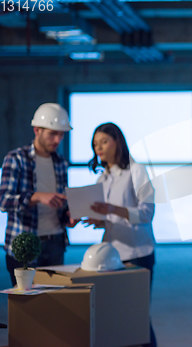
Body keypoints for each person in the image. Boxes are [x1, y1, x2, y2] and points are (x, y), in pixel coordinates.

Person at [83, 122, 156, 347]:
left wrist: (112, 210)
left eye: (104, 141)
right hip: (109, 254)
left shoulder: (136, 171)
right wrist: (99, 220)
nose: (99, 148)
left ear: (118, 142)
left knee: (137, 315)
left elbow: (147, 213)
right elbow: (110, 219)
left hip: (137, 252)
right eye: (95, 144)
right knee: (117, 316)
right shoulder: (102, 178)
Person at [0, 103, 79, 286]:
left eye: (61, 134)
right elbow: (4, 202)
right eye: (53, 133)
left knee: (53, 303)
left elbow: (60, 203)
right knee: (26, 306)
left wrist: (69, 216)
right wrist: (36, 197)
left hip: (55, 242)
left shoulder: (60, 162)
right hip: (24, 244)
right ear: (37, 130)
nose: (58, 139)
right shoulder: (16, 159)